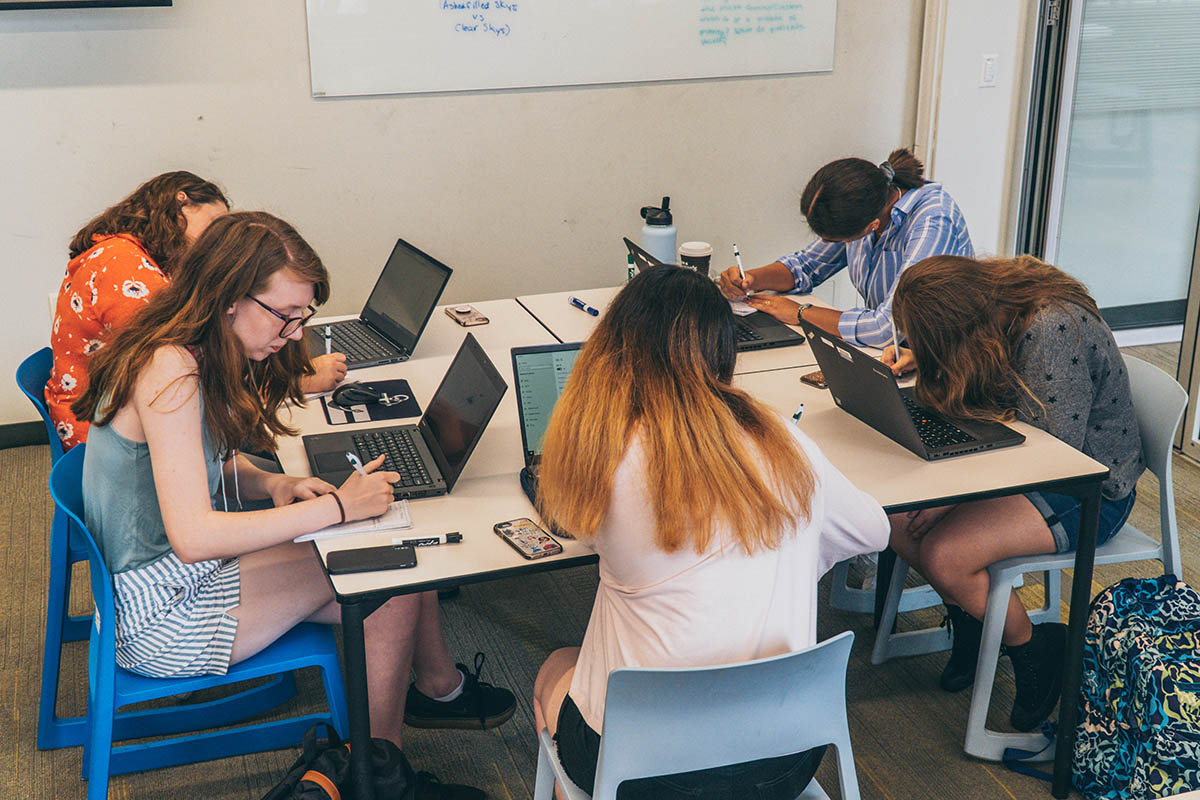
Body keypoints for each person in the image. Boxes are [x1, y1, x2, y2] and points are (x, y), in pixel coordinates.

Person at [71, 212, 513, 798]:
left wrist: (274, 486)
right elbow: (194, 536)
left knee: (395, 550)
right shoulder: (170, 370)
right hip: (161, 612)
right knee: (388, 580)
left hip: (161, 578)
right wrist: (336, 510)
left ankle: (433, 692)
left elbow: (201, 463)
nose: (293, 334)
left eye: (303, 317)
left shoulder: (184, 345)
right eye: (286, 317)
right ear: (231, 299)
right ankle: (377, 776)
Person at [530, 265, 889, 799]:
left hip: (644, 771)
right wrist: (782, 552)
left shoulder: (606, 457)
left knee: (557, 668)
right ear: (724, 352)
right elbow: (873, 530)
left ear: (613, 351)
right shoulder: (783, 440)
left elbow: (576, 527)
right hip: (785, 758)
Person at [882, 254, 1142, 731]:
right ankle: (975, 622)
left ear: (960, 327)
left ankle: (1036, 650)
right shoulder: (992, 304)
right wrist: (921, 352)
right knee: (896, 521)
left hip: (1087, 488)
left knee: (945, 555)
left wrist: (950, 497)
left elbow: (1049, 456)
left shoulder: (1049, 329)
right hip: (1024, 461)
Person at [47, 172, 348, 449]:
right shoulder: (123, 265)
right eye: (214, 226)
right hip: (97, 438)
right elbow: (199, 382)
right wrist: (298, 381)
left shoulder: (132, 255)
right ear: (182, 203)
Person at [717, 148, 973, 349]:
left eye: (836, 241)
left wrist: (800, 312)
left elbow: (884, 329)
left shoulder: (933, 223)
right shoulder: (866, 202)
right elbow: (806, 266)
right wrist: (751, 279)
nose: (831, 245)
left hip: (946, 360)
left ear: (872, 226)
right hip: (895, 353)